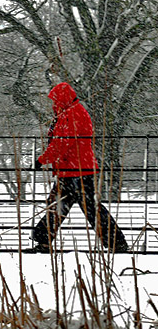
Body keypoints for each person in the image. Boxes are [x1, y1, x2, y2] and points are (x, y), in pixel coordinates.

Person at [31, 82, 129, 253]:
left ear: (62, 99)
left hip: (75, 170)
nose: (53, 105)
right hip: (77, 169)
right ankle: (115, 241)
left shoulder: (70, 115)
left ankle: (43, 239)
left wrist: (42, 160)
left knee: (76, 207)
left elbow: (61, 144)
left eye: (55, 100)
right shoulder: (74, 112)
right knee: (74, 206)